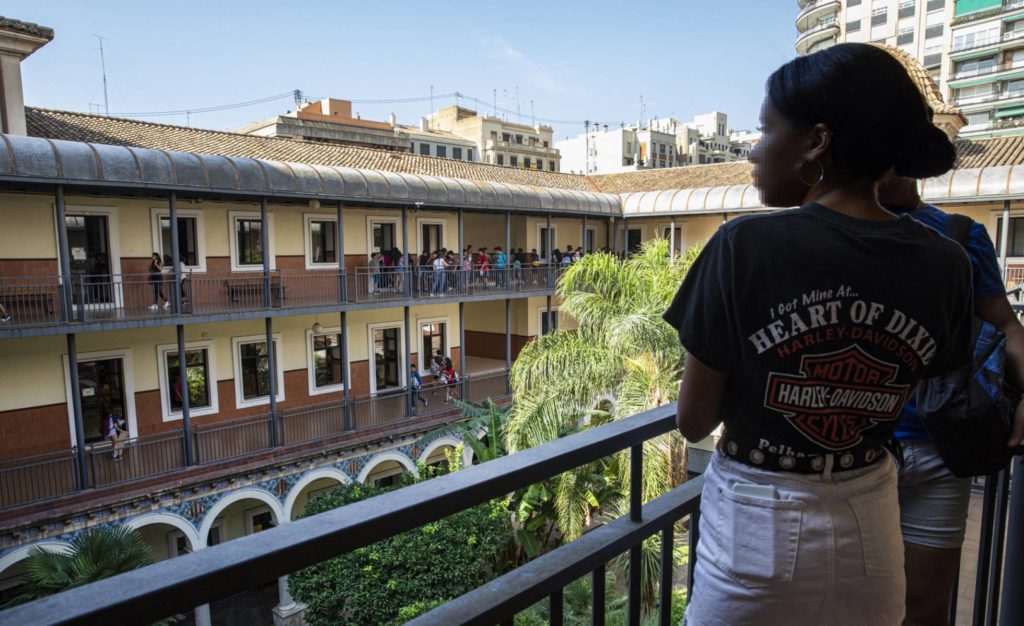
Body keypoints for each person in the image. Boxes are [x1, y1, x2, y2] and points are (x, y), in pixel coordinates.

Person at [665, 43, 974, 625]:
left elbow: (694, 421)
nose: (754, 151)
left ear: (816, 142)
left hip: (756, 520)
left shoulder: (743, 246)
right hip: (872, 522)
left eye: (766, 130)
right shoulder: (945, 262)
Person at [878, 174, 1024, 625]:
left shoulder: (961, 233)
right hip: (857, 454)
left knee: (926, 606)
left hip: (940, 447)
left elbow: (1008, 325)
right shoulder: (831, 231)